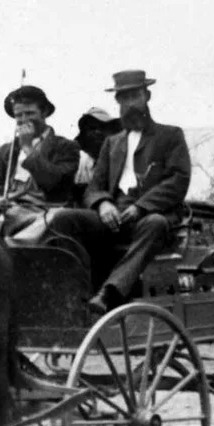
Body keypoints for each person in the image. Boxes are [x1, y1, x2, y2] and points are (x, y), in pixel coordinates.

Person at [56, 70, 193, 312]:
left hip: (150, 217)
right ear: (117, 101)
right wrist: (103, 204)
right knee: (63, 219)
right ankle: (73, 292)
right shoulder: (113, 143)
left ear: (147, 96)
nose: (129, 104)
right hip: (112, 216)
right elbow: (94, 187)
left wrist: (141, 206)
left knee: (155, 223)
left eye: (134, 96)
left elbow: (178, 180)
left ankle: (110, 293)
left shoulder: (170, 136)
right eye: (123, 98)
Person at [0, 84, 80, 239]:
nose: (24, 120)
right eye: (19, 115)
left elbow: (55, 183)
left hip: (41, 213)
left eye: (30, 113)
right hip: (6, 210)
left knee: (51, 221)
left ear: (44, 113)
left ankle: (14, 247)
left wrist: (28, 148)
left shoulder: (65, 147)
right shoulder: (6, 151)